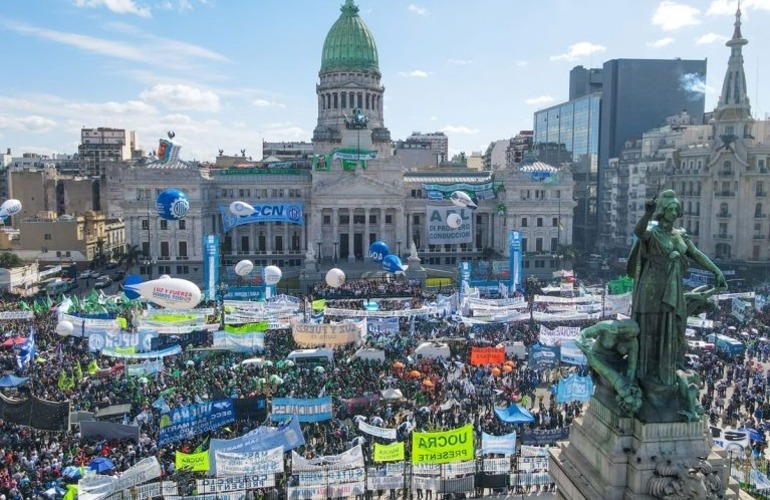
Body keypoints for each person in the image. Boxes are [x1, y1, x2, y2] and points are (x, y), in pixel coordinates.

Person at [628, 190, 727, 387]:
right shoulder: (652, 232)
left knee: (672, 326)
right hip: (652, 285)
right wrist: (647, 213)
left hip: (673, 286)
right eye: (670, 209)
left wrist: (716, 271)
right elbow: (638, 232)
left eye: (676, 209)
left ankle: (666, 369)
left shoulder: (680, 234)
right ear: (662, 210)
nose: (674, 213)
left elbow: (696, 254)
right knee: (650, 327)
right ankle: (645, 371)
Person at [575, 319, 641, 414]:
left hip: (617, 363)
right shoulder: (607, 327)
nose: (630, 338)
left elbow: (632, 367)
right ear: (623, 330)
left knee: (628, 381)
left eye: (633, 337)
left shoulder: (633, 342)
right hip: (598, 359)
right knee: (614, 381)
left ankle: (626, 395)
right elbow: (583, 334)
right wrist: (584, 346)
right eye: (629, 336)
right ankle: (621, 388)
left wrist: (629, 384)